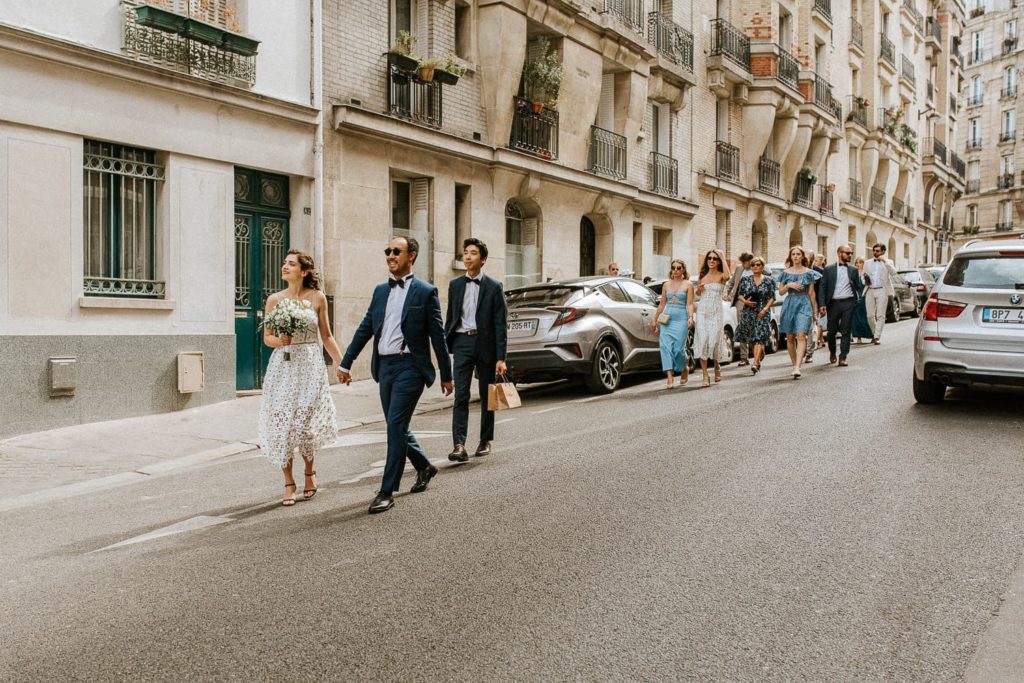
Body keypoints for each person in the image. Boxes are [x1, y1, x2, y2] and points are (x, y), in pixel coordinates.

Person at [338, 236, 454, 514]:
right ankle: (424, 466)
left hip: (411, 367)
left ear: (411, 255)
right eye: (387, 251)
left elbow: (437, 335)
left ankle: (386, 490)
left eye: (396, 251)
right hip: (385, 367)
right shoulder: (380, 291)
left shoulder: (425, 292)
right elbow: (366, 327)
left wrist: (446, 375)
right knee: (396, 425)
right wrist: (346, 362)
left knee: (395, 426)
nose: (390, 255)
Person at [257, 250, 342, 507]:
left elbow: (326, 336)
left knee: (304, 424)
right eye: (284, 263)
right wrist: (279, 341)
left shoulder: (317, 298)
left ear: (304, 271)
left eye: (290, 264)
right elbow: (267, 337)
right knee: (283, 422)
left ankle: (309, 472)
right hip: (283, 366)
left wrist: (343, 364)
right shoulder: (275, 300)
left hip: (310, 365)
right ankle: (288, 481)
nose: (284, 267)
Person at [444, 238, 508, 462]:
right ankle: (459, 444)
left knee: (485, 393)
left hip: (485, 344)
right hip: (462, 342)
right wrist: (446, 346)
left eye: (473, 253)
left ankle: (484, 440)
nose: (468, 256)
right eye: (465, 252)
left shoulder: (494, 287)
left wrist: (501, 357)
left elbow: (500, 324)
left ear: (483, 260)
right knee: (461, 394)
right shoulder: (455, 285)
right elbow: (451, 318)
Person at [816, 244, 863, 367]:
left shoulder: (853, 270)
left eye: (851, 253)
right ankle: (832, 352)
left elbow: (858, 287)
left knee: (846, 331)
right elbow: (822, 287)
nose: (850, 255)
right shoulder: (828, 269)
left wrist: (856, 300)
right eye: (847, 253)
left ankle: (843, 357)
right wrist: (821, 304)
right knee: (831, 332)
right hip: (833, 304)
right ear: (839, 253)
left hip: (848, 303)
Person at [777, 246, 821, 379]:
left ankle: (797, 367)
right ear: (790, 257)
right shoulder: (785, 273)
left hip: (804, 303)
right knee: (790, 337)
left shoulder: (809, 273)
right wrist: (788, 285)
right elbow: (780, 292)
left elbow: (812, 293)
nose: (795, 256)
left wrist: (814, 312)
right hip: (790, 303)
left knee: (801, 335)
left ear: (802, 257)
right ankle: (794, 364)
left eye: (798, 254)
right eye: (793, 254)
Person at [650, 258, 695, 389]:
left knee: (678, 349)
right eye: (673, 268)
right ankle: (669, 377)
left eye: (678, 268)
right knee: (665, 348)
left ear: (683, 270)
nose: (675, 270)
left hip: (681, 318)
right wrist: (655, 319)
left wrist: (690, 317)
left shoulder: (688, 285)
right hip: (667, 319)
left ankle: (684, 368)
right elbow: (662, 303)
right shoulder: (666, 285)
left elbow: (690, 303)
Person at [692, 248, 730, 387]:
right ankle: (705, 375)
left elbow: (728, 276)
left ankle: (716, 365)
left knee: (714, 341)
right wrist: (699, 289)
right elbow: (698, 293)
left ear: (718, 261)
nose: (712, 261)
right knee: (702, 341)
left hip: (716, 311)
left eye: (715, 258)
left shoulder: (721, 275)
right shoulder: (702, 275)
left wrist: (723, 256)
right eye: (710, 258)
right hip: (702, 311)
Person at [734, 257, 776, 375]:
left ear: (762, 266)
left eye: (758, 265)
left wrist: (766, 309)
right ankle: (760, 354)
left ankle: (755, 363)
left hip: (763, 312)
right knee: (753, 338)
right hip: (748, 311)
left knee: (759, 336)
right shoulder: (745, 280)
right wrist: (746, 302)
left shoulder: (769, 281)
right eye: (753, 265)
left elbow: (772, 297)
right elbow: (739, 295)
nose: (755, 267)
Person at [722, 252, 755, 366]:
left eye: (747, 262)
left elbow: (769, 273)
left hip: (755, 302)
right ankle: (744, 357)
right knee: (742, 328)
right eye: (743, 262)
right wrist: (726, 293)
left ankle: (758, 352)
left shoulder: (757, 267)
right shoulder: (739, 269)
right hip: (740, 302)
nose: (745, 264)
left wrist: (757, 263)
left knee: (754, 328)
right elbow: (731, 283)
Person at [864, 242, 899, 345]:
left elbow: (894, 272)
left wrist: (884, 261)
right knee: (870, 315)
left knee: (880, 315)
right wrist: (864, 280)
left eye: (878, 251)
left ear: (883, 251)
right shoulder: (867, 262)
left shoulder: (888, 262)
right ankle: (875, 332)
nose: (875, 253)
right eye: (874, 251)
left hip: (882, 290)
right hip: (869, 289)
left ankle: (876, 336)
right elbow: (863, 275)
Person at [851, 257, 873, 343]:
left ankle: (871, 335)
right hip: (856, 296)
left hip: (864, 296)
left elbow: (868, 285)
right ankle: (858, 337)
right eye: (856, 263)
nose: (858, 264)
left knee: (864, 317)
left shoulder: (866, 274)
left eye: (860, 263)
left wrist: (863, 295)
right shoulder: (854, 273)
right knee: (855, 318)